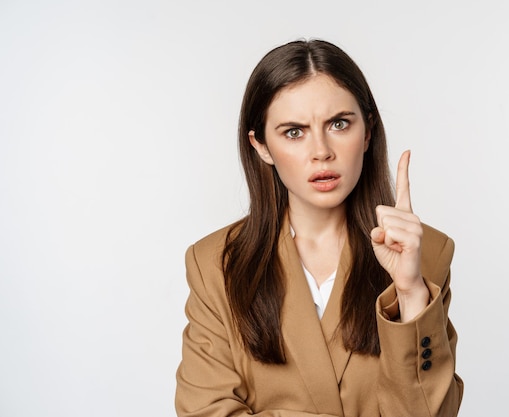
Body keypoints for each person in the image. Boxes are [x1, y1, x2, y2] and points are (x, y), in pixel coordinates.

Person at [175, 38, 463, 417]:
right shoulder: (214, 262)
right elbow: (204, 410)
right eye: (294, 131)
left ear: (368, 132)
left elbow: (430, 412)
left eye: (339, 124)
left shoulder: (426, 253)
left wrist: (410, 294)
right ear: (261, 146)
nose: (321, 150)